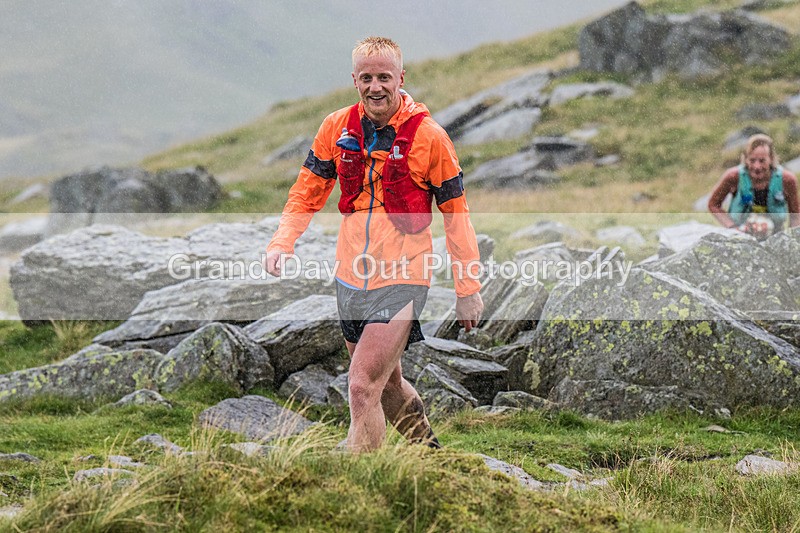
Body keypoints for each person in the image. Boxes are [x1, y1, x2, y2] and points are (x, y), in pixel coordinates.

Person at [263, 36, 484, 452]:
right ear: (355, 81)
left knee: (362, 385)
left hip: (403, 277)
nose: (376, 86)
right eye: (367, 78)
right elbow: (306, 191)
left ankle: (358, 481)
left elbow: (457, 217)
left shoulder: (431, 138)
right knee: (388, 384)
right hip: (351, 277)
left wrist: (467, 289)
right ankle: (432, 460)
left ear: (401, 78)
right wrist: (282, 242)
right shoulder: (335, 127)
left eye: (385, 77)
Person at [708, 133, 800, 238]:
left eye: (762, 161)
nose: (757, 166)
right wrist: (732, 227)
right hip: (739, 236)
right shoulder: (733, 176)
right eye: (752, 160)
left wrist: (791, 239)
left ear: (771, 159)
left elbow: (795, 216)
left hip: (775, 237)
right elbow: (713, 204)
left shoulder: (787, 180)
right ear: (745, 159)